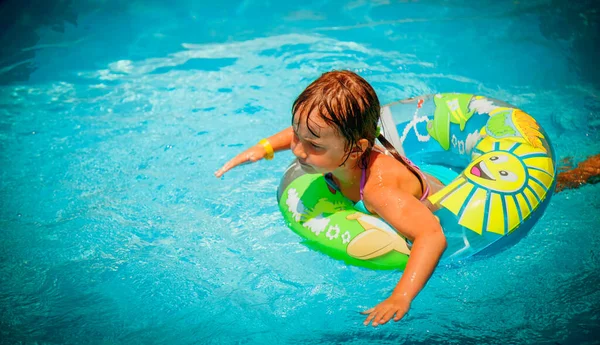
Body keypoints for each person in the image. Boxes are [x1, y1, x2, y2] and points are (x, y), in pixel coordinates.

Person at [214, 70, 447, 327]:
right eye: (297, 137)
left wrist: (401, 296)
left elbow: (432, 235)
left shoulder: (377, 191)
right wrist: (265, 147)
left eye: (314, 146)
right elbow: (305, 132)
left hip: (440, 204)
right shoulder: (332, 148)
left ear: (356, 149)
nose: (298, 151)